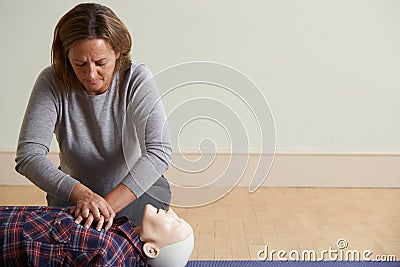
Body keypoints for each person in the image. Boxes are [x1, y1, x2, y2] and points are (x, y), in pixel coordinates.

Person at [15, 3, 172, 228]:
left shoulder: (136, 78)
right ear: (66, 56)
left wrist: (101, 208)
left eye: (101, 63)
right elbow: (28, 155)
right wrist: (82, 196)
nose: (90, 74)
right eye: (79, 64)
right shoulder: (51, 81)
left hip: (137, 193)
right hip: (73, 197)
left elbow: (159, 151)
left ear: (118, 52)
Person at [0, 204, 194, 267]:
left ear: (151, 249)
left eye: (174, 223)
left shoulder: (111, 256)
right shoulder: (119, 233)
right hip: (14, 216)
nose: (172, 213)